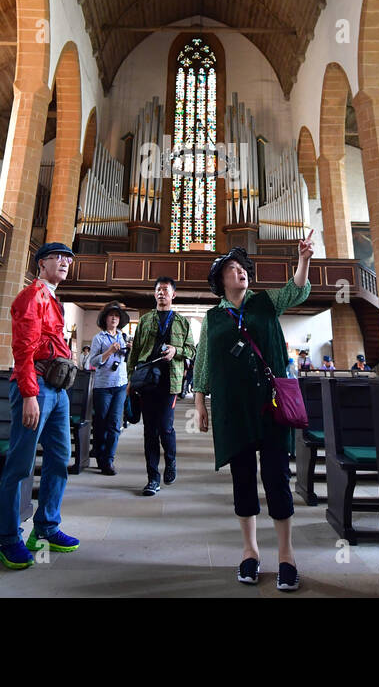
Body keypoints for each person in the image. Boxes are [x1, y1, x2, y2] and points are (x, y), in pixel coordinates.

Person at [193, 232, 313, 592]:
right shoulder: (213, 319)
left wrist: (304, 259)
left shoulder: (265, 303)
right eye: (232, 269)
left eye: (242, 267)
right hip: (233, 408)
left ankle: (287, 557)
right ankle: (250, 551)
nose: (240, 272)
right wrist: (200, 402)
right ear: (220, 281)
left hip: (271, 405)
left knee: (277, 479)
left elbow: (297, 289)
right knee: (242, 479)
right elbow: (204, 362)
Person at [0, 242, 81, 569]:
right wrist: (29, 394)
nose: (64, 262)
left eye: (68, 259)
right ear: (40, 264)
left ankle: (45, 528)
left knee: (60, 457)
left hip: (57, 390)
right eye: (57, 257)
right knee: (20, 464)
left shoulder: (52, 299)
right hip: (36, 386)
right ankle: (8, 539)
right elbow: (23, 350)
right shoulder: (32, 296)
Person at [125, 276, 194, 496]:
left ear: (173, 294)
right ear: (154, 294)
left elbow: (192, 350)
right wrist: (129, 379)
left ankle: (171, 462)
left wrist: (177, 351)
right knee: (149, 431)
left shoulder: (182, 322)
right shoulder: (145, 321)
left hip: (170, 381)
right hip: (146, 380)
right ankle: (152, 478)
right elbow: (134, 352)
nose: (161, 293)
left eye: (165, 289)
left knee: (165, 427)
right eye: (158, 290)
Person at [87, 300, 129, 476]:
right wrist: (109, 352)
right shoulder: (99, 338)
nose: (114, 318)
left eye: (117, 316)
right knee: (101, 422)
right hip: (103, 386)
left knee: (114, 423)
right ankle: (100, 455)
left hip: (120, 384)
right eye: (111, 315)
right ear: (105, 319)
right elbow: (92, 361)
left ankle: (109, 460)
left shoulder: (123, 336)